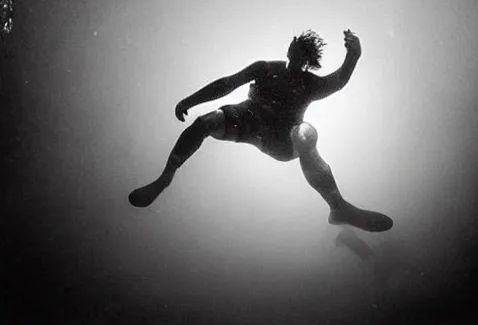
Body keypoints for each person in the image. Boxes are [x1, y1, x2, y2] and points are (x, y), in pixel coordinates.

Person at [129, 29, 393, 233]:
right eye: (292, 41)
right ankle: (165, 177)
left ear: (303, 54)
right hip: (245, 121)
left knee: (305, 133)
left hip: (281, 140)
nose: (291, 43)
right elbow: (227, 84)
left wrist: (353, 56)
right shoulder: (265, 68)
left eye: (297, 43)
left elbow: (339, 81)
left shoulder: (309, 84)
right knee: (205, 122)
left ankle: (338, 206)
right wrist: (192, 100)